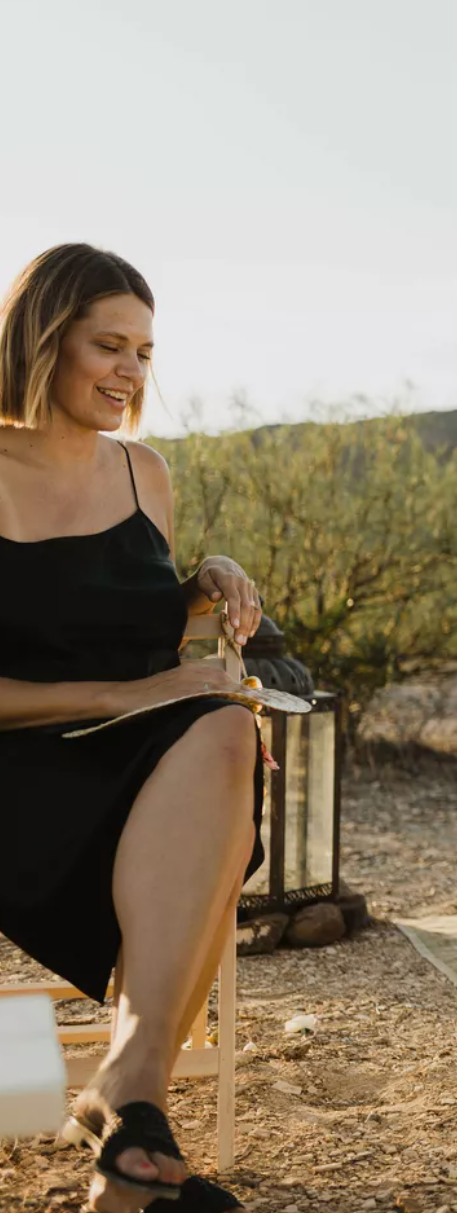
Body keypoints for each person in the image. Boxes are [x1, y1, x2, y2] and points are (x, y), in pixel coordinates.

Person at [0, 244, 264, 1213]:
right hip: (19, 770)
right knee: (207, 800)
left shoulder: (143, 472)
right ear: (41, 341)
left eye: (145, 352)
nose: (129, 372)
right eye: (108, 344)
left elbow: (118, 600)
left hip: (131, 758)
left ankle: (129, 1101)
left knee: (231, 732)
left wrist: (207, 572)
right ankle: (133, 1129)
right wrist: (126, 697)